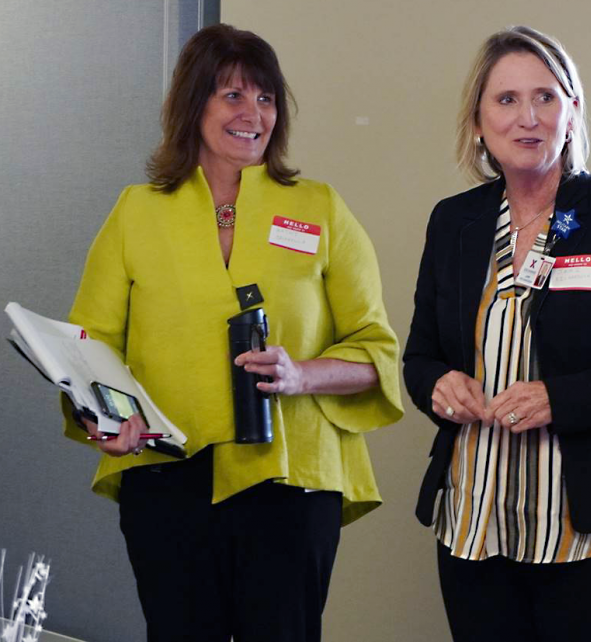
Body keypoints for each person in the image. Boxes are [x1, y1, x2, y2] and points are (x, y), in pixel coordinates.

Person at [63, 24, 403, 642]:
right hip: (168, 481)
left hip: (291, 479)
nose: (254, 114)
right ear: (195, 104)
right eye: (233, 96)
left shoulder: (321, 208)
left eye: (267, 98)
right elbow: (89, 344)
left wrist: (301, 374)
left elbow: (376, 351)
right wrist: (105, 419)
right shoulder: (138, 211)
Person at [403, 26, 591, 642]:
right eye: (507, 100)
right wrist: (439, 384)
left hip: (582, 534)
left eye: (546, 97)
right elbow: (419, 359)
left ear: (572, 112)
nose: (528, 117)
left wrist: (561, 399)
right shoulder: (455, 222)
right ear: (479, 120)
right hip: (471, 526)